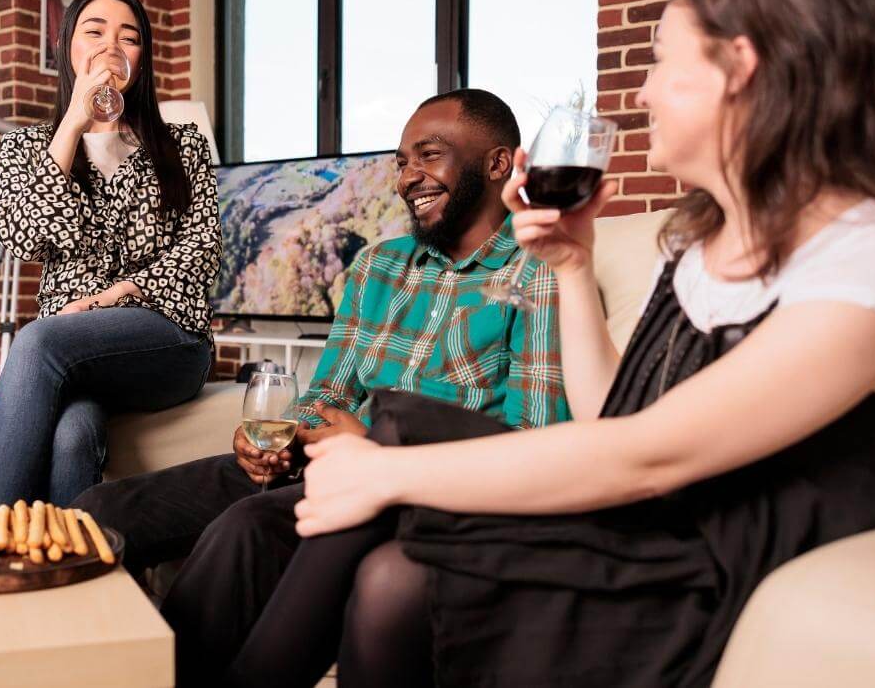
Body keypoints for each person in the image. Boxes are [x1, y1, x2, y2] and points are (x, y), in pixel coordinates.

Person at [228, 0, 875, 688]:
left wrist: (388, 475)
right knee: (392, 558)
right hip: (654, 514)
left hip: (706, 555)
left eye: (660, 60)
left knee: (394, 470)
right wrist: (574, 267)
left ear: (739, 69)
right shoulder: (702, 243)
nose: (643, 90)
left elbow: (651, 452)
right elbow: (609, 416)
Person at [76, 88, 572, 686]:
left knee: (247, 531)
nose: (409, 177)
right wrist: (280, 437)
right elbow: (326, 392)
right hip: (310, 462)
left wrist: (370, 440)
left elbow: (537, 441)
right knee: (100, 512)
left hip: (408, 489)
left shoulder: (537, 273)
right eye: (401, 162)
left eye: (429, 156)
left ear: (497, 164)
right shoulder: (379, 268)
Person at [0, 0, 221, 512]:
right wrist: (74, 122)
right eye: (95, 32)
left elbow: (203, 247)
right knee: (73, 436)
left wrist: (120, 294)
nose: (113, 48)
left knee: (37, 342)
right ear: (67, 49)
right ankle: (66, 568)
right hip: (73, 351)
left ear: (142, 60)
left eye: (129, 38)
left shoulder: (183, 143)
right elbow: (23, 236)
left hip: (166, 335)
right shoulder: (26, 147)